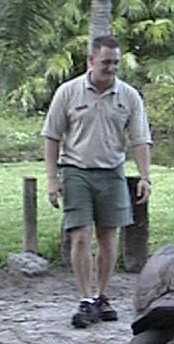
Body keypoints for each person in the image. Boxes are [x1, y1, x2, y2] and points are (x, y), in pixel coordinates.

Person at [41, 35, 152, 328]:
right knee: (80, 235)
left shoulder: (129, 96)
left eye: (115, 62)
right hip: (76, 170)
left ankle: (102, 296)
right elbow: (51, 136)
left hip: (112, 171)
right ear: (91, 61)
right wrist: (52, 179)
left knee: (108, 237)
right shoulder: (68, 92)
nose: (111, 67)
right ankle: (85, 298)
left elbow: (140, 139)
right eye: (106, 62)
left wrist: (145, 177)